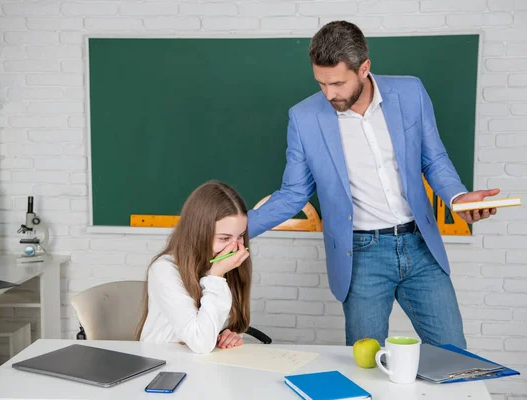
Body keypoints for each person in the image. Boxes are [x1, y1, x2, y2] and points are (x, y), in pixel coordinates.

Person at [248, 21, 499, 349]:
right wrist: (236, 230)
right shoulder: (304, 117)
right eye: (321, 84)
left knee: (454, 355)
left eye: (337, 83)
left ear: (364, 68)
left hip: (420, 247)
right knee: (365, 364)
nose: (329, 94)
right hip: (361, 255)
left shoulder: (410, 93)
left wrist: (459, 198)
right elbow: (294, 192)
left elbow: (434, 160)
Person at [137, 180, 252, 354]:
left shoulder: (222, 264)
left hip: (203, 364)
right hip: (163, 362)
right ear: (199, 233)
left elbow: (217, 328)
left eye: (241, 236)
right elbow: (201, 342)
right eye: (224, 238)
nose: (235, 247)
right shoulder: (164, 270)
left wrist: (229, 335)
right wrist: (216, 277)